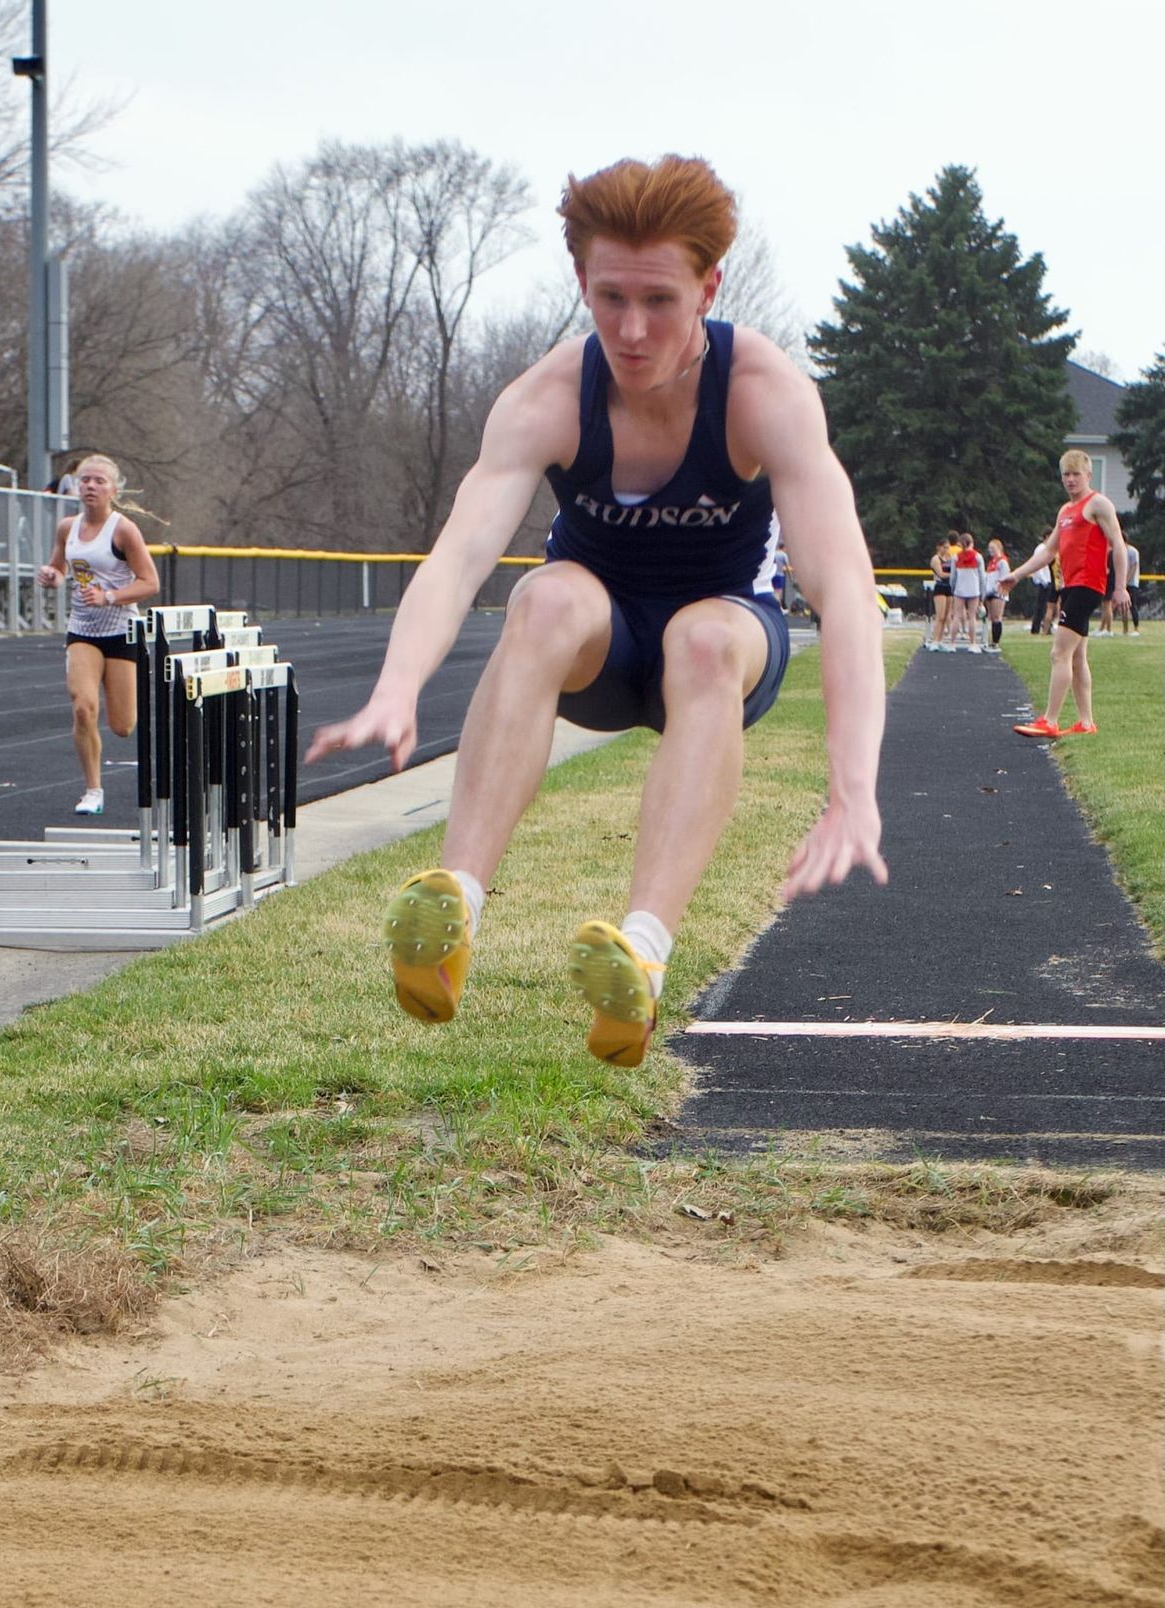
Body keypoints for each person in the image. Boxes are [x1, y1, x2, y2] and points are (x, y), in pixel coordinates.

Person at [307, 155, 887, 1068]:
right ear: (580, 280)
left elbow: (846, 590)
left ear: (709, 286)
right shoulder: (549, 397)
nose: (631, 327)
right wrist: (397, 684)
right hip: (598, 649)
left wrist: (853, 785)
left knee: (700, 639)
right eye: (609, 296)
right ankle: (455, 901)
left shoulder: (761, 391)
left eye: (659, 300)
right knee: (541, 596)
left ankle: (642, 957)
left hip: (724, 637)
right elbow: (460, 552)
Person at [35, 453, 160, 813]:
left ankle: (116, 711)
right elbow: (59, 569)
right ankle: (93, 790)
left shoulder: (123, 530)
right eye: (85, 479)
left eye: (98, 481)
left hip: (120, 630)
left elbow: (150, 582)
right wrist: (51, 577)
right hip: (82, 630)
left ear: (113, 490)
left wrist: (110, 596)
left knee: (122, 726)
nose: (90, 486)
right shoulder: (67, 527)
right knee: (83, 707)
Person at [1004, 449, 1128, 738]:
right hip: (1070, 584)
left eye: (1076, 474)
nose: (1071, 480)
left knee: (1058, 652)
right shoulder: (1065, 511)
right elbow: (1049, 550)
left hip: (1087, 585)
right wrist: (1018, 573)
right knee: (1076, 656)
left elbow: (1118, 545)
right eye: (1066, 475)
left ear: (1088, 475)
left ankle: (1050, 719)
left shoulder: (1097, 504)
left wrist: (1120, 586)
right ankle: (1086, 722)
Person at [948, 532, 983, 653]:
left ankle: (952, 644)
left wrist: (952, 589)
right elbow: (982, 577)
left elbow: (953, 577)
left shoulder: (956, 557)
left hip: (959, 589)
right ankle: (972, 643)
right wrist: (982, 593)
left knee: (956, 616)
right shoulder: (978, 557)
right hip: (974, 589)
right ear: (971, 543)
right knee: (972, 616)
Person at [982, 537, 1010, 653]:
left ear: (999, 548)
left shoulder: (1002, 561)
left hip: (997, 593)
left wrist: (996, 589)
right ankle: (991, 641)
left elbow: (1004, 577)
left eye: (992, 548)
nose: (990, 550)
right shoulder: (991, 562)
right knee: (991, 617)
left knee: (997, 617)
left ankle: (996, 642)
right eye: (989, 548)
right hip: (989, 592)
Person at [926, 538, 953, 650]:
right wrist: (952, 574)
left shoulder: (949, 558)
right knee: (940, 616)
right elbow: (941, 574)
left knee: (947, 616)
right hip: (940, 588)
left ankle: (940, 639)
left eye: (947, 548)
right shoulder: (936, 559)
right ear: (939, 547)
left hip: (949, 588)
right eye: (944, 547)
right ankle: (934, 640)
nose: (946, 550)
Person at [1123, 539, 1141, 635]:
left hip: (1132, 583)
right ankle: (1125, 630)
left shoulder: (1132, 551)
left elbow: (1134, 566)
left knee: (1132, 606)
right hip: (1123, 583)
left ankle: (1136, 629)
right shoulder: (1120, 550)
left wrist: (1126, 580)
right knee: (1123, 607)